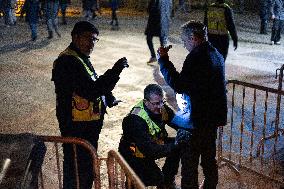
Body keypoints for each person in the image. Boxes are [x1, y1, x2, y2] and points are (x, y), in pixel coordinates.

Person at [52, 21, 129, 189]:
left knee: (86, 168)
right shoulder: (68, 61)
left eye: (95, 39)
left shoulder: (80, 58)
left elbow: (91, 82)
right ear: (75, 37)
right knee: (78, 171)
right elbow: (90, 90)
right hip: (77, 130)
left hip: (85, 129)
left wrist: (107, 97)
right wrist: (115, 71)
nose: (91, 43)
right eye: (88, 38)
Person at [157, 20, 227, 188]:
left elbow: (180, 85)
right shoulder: (215, 53)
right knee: (209, 159)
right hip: (211, 119)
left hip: (196, 120)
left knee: (190, 163)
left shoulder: (196, 57)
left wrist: (164, 61)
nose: (184, 44)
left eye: (184, 40)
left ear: (193, 37)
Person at [118, 84, 189, 189]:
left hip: (151, 143)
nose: (160, 106)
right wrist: (174, 144)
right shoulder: (135, 119)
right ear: (146, 102)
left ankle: (167, 182)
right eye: (156, 103)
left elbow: (177, 122)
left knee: (178, 146)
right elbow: (150, 150)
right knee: (154, 178)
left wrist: (187, 130)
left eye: (162, 102)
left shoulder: (161, 108)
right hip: (134, 154)